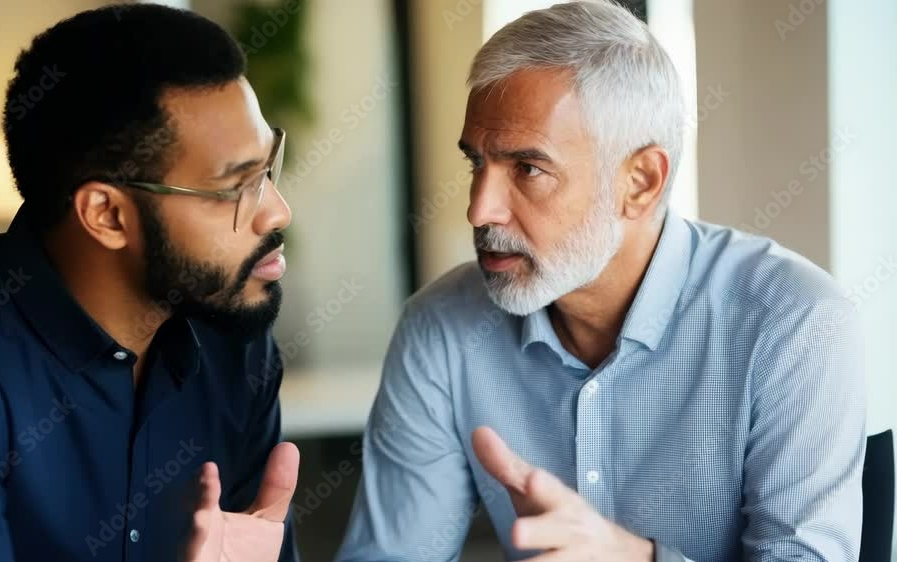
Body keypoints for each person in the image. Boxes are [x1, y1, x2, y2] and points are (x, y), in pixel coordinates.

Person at [337, 2, 865, 561]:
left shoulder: (793, 320)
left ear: (640, 182)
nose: (479, 210)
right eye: (476, 164)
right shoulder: (440, 327)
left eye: (528, 169)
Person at [0, 4, 301, 561]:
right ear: (106, 216)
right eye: (237, 186)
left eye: (268, 169)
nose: (277, 212)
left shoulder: (236, 344)